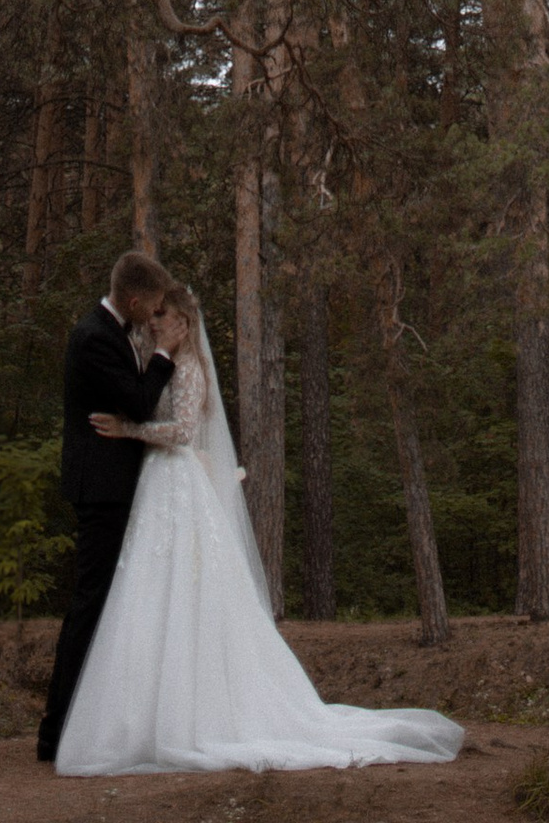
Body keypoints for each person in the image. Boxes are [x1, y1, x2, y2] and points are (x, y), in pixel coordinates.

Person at [53, 284, 464, 778]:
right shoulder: (156, 360)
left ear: (183, 323)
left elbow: (182, 432)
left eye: (163, 315)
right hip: (158, 487)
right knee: (148, 593)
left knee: (187, 590)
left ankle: (192, 718)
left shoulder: (188, 368)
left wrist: (130, 430)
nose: (154, 322)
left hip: (176, 481)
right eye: (154, 314)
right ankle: (140, 716)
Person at [37, 248, 178, 764]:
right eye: (155, 303)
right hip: (100, 488)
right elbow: (139, 403)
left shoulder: (111, 330)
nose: (158, 313)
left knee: (104, 604)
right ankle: (55, 733)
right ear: (135, 299)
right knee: (90, 604)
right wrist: (165, 356)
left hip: (111, 485)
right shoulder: (95, 336)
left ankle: (81, 723)